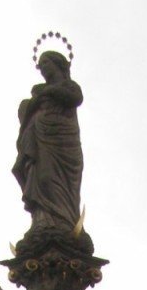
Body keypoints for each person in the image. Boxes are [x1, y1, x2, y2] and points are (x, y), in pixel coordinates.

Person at [12, 50, 91, 253]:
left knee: (53, 180)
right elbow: (25, 113)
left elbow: (75, 97)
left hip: (63, 142)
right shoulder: (37, 94)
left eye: (46, 62)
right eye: (41, 63)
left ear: (59, 65)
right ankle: (43, 221)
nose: (43, 67)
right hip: (41, 140)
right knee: (42, 178)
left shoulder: (68, 87)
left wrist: (47, 93)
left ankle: (65, 220)